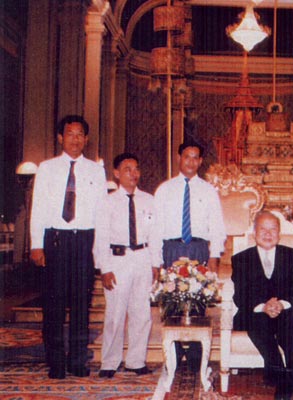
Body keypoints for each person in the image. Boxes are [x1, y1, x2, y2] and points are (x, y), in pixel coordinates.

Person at [30, 115, 106, 379]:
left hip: (83, 241)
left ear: (86, 139)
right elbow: (38, 207)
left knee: (80, 306)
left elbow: (100, 213)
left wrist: (99, 251)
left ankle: (77, 361)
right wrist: (36, 245)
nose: (75, 139)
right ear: (61, 137)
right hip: (55, 241)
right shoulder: (46, 168)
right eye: (70, 134)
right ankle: (55, 363)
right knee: (54, 306)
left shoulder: (96, 170)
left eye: (80, 134)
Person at [153, 139, 226, 372]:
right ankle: (173, 356)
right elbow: (155, 227)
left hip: (198, 248)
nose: (191, 161)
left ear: (201, 161)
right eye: (187, 156)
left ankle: (195, 357)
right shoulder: (164, 190)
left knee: (198, 301)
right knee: (171, 302)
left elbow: (217, 227)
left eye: (196, 157)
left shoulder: (208, 190)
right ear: (179, 158)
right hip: (171, 248)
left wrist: (214, 257)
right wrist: (156, 260)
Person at [231, 211, 293, 400]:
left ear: (279, 233)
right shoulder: (241, 258)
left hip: (286, 311)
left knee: (290, 326)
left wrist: (282, 305)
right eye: (263, 229)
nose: (268, 234)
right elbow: (240, 295)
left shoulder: (292, 255)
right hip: (256, 313)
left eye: (273, 229)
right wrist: (263, 306)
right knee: (257, 324)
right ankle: (286, 378)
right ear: (254, 232)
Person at [94, 153, 161, 378]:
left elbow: (155, 234)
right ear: (116, 173)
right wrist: (104, 268)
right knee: (115, 313)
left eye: (136, 169)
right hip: (117, 259)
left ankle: (136, 360)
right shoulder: (107, 201)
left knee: (141, 313)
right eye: (127, 169)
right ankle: (110, 362)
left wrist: (155, 263)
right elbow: (101, 236)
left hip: (142, 258)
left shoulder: (149, 200)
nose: (133, 174)